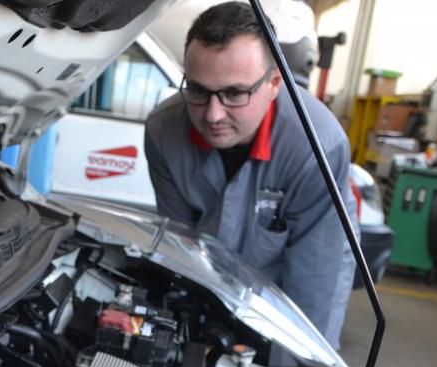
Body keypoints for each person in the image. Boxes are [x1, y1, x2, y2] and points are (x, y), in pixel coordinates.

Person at [144, 1, 357, 348]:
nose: (212, 115)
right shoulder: (163, 131)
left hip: (286, 291)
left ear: (273, 83)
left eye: (234, 93)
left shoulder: (317, 148)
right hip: (214, 281)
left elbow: (315, 287)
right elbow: (180, 250)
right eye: (198, 90)